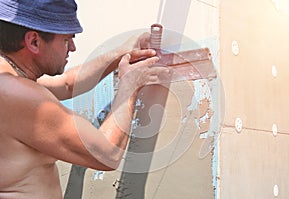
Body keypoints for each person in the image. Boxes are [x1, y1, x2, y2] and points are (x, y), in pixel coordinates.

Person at [0, 0, 169, 198]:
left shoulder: (11, 79)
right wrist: (129, 87)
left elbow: (68, 84)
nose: (72, 47)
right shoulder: (20, 95)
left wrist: (120, 53)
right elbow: (107, 154)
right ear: (34, 41)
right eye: (66, 40)